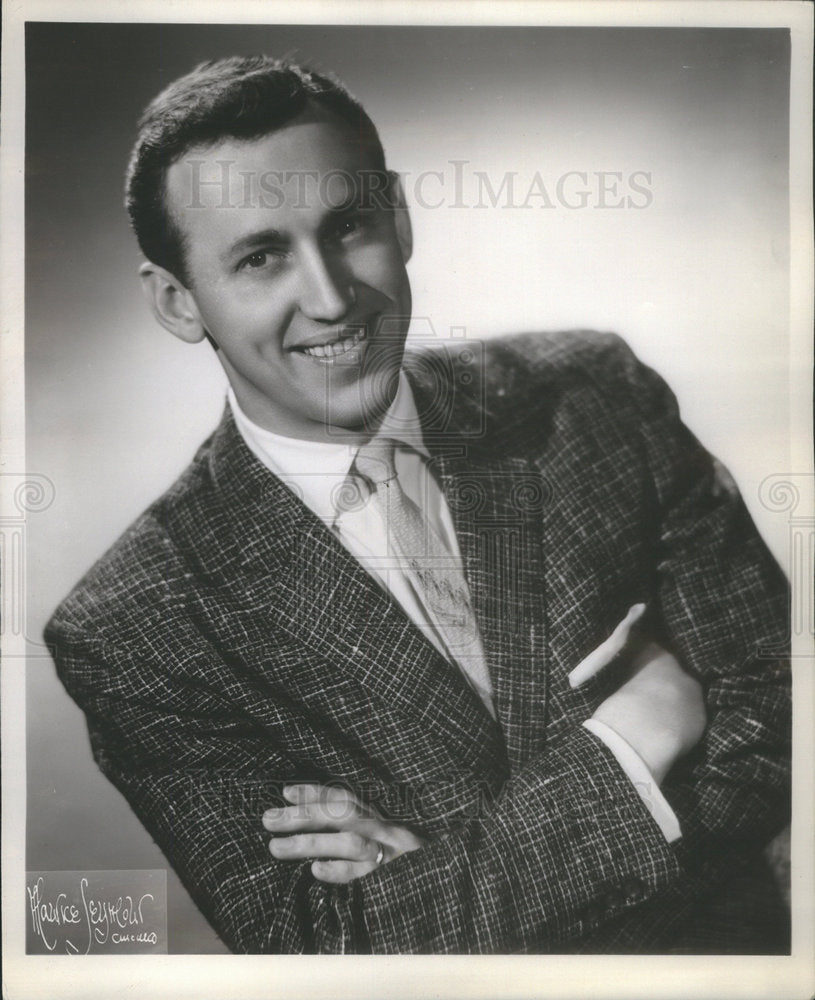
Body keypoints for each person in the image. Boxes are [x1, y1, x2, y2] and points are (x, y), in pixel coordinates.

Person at [45, 55, 791, 954]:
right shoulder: (132, 627)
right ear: (176, 301)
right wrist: (637, 740)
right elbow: (325, 949)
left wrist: (445, 886)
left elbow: (783, 720)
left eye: (349, 225)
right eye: (261, 256)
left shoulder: (594, 395)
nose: (328, 299)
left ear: (397, 215)